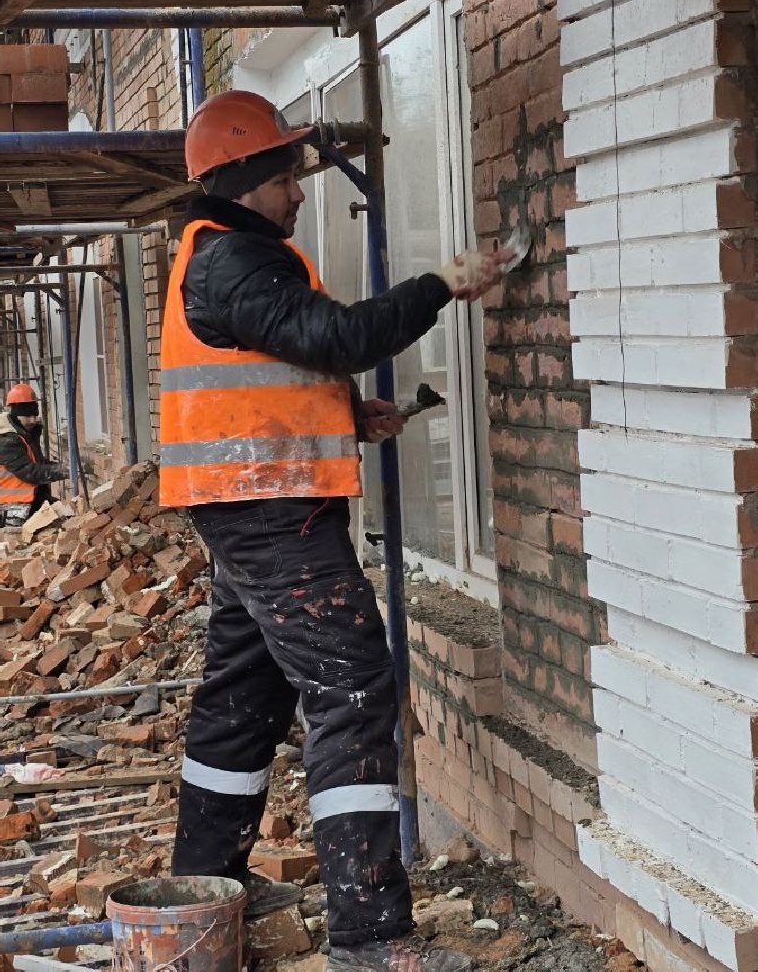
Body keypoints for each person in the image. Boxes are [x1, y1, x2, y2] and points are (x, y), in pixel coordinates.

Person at [162, 90, 510, 971]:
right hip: (272, 510)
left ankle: (206, 882)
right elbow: (340, 336)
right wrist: (444, 284)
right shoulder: (235, 261)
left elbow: (279, 366)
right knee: (353, 686)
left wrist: (348, 417)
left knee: (243, 698)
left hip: (256, 504)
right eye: (286, 175)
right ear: (243, 179)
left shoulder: (227, 258)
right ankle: (371, 937)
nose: (299, 193)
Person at [0, 383, 67, 521]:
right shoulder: (6, 441)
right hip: (11, 509)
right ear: (15, 415)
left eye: (35, 415)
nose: (33, 420)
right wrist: (66, 470)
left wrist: (64, 466)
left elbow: (38, 463)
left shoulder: (24, 434)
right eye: (28, 416)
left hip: (28, 502)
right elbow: (30, 472)